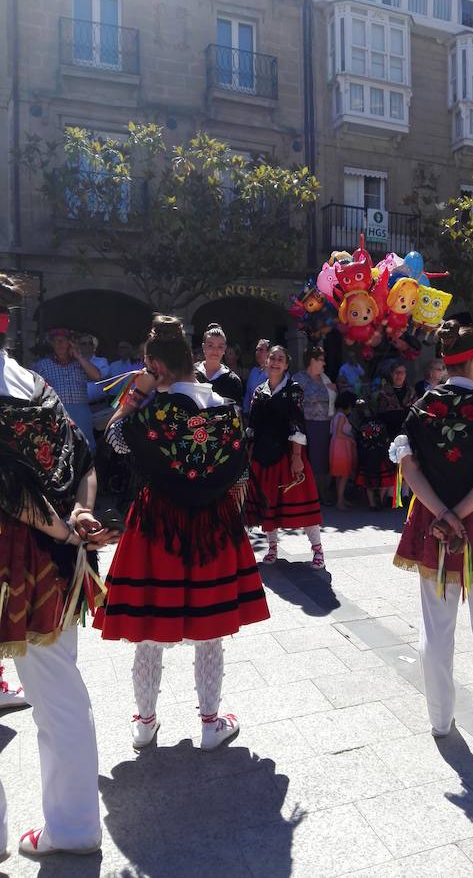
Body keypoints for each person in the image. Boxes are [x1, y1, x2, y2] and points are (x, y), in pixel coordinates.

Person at [93, 316, 269, 751]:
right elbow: (238, 469)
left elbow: (113, 438)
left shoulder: (151, 412)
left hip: (159, 527)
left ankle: (146, 723)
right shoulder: (226, 411)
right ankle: (211, 724)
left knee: (150, 629)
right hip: (214, 526)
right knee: (210, 629)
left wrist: (137, 392)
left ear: (155, 365)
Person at [0, 293, 116, 857]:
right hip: (56, 560)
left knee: (56, 694)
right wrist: (81, 514)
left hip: (23, 559)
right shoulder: (34, 384)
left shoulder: (28, 383)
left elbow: (12, 495)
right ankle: (71, 826)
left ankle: (65, 829)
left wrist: (69, 528)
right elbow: (84, 460)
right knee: (60, 693)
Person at [391, 321, 473, 739]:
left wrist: (442, 514)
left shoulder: (420, 409)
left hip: (433, 524)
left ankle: (439, 719)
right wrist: (460, 513)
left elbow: (409, 467)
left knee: (436, 627)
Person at [245, 345, 324, 568]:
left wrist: (297, 456)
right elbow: (253, 425)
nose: (276, 362)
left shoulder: (293, 389)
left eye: (281, 359)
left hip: (288, 454)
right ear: (266, 362)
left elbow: (296, 422)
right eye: (272, 358)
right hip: (262, 455)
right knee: (268, 504)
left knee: (301, 500)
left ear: (286, 364)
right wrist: (248, 455)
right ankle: (272, 549)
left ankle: (317, 550)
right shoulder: (259, 391)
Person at [34, 328, 101, 450]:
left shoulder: (80, 363)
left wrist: (79, 356)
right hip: (57, 412)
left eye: (63, 341)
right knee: (59, 448)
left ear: (69, 343)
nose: (59, 344)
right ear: (52, 344)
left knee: (86, 448)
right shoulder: (42, 365)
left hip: (81, 413)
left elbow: (97, 376)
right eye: (56, 341)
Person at [292, 346, 336, 505]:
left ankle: (321, 495)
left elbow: (332, 402)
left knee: (321, 461)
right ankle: (307, 494)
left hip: (324, 425)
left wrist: (334, 391)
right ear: (312, 360)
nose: (324, 363)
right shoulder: (299, 378)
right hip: (305, 424)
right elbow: (294, 401)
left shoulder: (325, 379)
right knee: (307, 459)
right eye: (321, 359)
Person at [352, 399, 396, 510]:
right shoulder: (381, 424)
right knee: (383, 481)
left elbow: (358, 439)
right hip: (380, 454)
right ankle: (380, 501)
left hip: (367, 455)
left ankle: (372, 504)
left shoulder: (360, 425)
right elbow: (386, 439)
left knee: (368, 480)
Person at [194, 322, 243, 404]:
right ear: (203, 347)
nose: (215, 351)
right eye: (210, 345)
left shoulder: (232, 380)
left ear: (225, 349)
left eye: (220, 346)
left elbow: (236, 411)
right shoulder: (190, 374)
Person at [374, 360, 416, 442]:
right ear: (391, 374)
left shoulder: (411, 392)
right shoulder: (382, 393)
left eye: (402, 372)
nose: (399, 375)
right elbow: (381, 414)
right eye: (397, 372)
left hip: (408, 434)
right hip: (389, 434)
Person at [330, 391, 358, 510]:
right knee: (345, 475)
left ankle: (340, 499)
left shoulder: (337, 414)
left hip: (336, 446)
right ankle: (340, 501)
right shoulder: (341, 416)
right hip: (342, 447)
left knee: (339, 475)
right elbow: (339, 433)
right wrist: (351, 439)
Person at [80, 334, 110, 404]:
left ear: (93, 346)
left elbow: (100, 378)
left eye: (90, 343)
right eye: (83, 343)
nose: (87, 345)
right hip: (79, 406)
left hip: (99, 405)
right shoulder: (72, 363)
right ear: (78, 346)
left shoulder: (102, 361)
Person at [243, 338, 270, 415]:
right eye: (256, 350)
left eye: (261, 350)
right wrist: (245, 411)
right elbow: (248, 393)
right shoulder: (253, 371)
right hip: (253, 415)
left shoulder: (274, 372)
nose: (257, 352)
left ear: (269, 352)